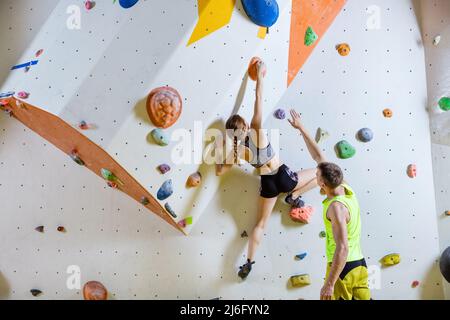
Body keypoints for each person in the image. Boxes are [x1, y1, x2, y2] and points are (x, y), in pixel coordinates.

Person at [215, 60, 324, 280]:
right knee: (320, 171)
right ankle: (295, 195)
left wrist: (220, 149)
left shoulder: (236, 153)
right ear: (244, 125)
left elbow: (219, 172)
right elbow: (258, 98)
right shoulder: (256, 128)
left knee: (260, 225)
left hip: (267, 184)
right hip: (284, 175)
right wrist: (260, 74)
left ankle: (248, 262)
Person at [289, 112, 371, 300]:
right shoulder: (346, 188)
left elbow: (342, 248)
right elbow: (318, 156)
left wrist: (329, 284)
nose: (315, 177)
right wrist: (301, 128)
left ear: (322, 184)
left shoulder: (336, 207)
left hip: (343, 268)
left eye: (316, 177)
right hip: (359, 264)